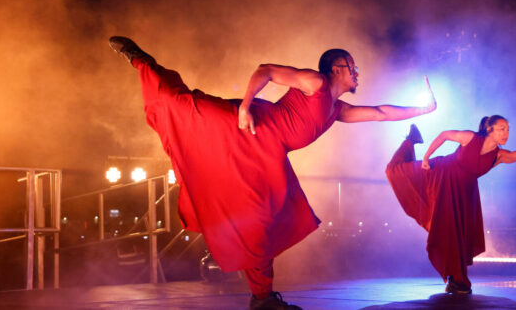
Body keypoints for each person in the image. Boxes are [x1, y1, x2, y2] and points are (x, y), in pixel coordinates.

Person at [108, 36, 436, 310]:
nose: (358, 73)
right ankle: (144, 63)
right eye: (354, 67)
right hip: (246, 126)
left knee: (259, 223)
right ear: (338, 68)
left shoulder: (337, 110)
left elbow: (380, 113)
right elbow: (265, 70)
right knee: (180, 105)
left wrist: (424, 109)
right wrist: (246, 106)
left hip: (265, 157)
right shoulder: (316, 82)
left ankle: (262, 297)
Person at [385, 116, 516, 294]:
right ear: (489, 129)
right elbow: (444, 135)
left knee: (454, 235)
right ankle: (411, 140)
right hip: (441, 175)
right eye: (501, 129)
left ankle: (457, 280)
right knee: (394, 171)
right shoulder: (470, 137)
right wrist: (426, 156)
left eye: (508, 129)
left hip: (463, 193)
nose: (506, 133)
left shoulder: (498, 156)